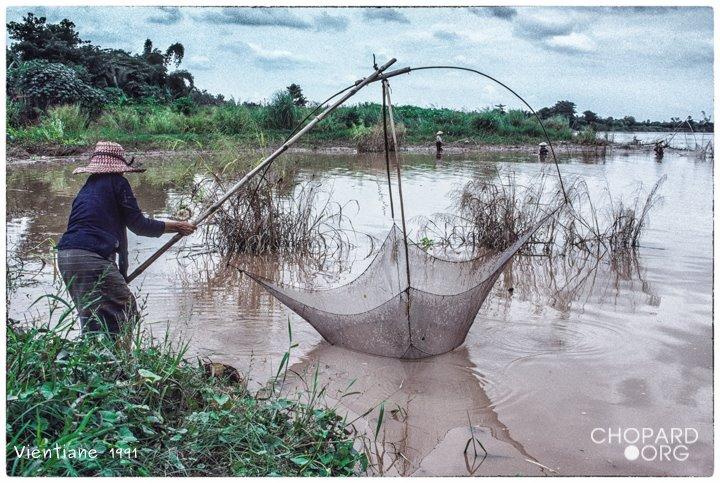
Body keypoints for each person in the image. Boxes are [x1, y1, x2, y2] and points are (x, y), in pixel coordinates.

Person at [56, 141, 196, 338]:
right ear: (119, 167)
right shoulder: (118, 183)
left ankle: (98, 363)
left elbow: (115, 235)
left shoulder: (88, 188)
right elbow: (139, 225)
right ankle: (122, 364)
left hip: (66, 257)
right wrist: (177, 226)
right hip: (91, 258)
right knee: (126, 312)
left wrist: (120, 273)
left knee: (92, 318)